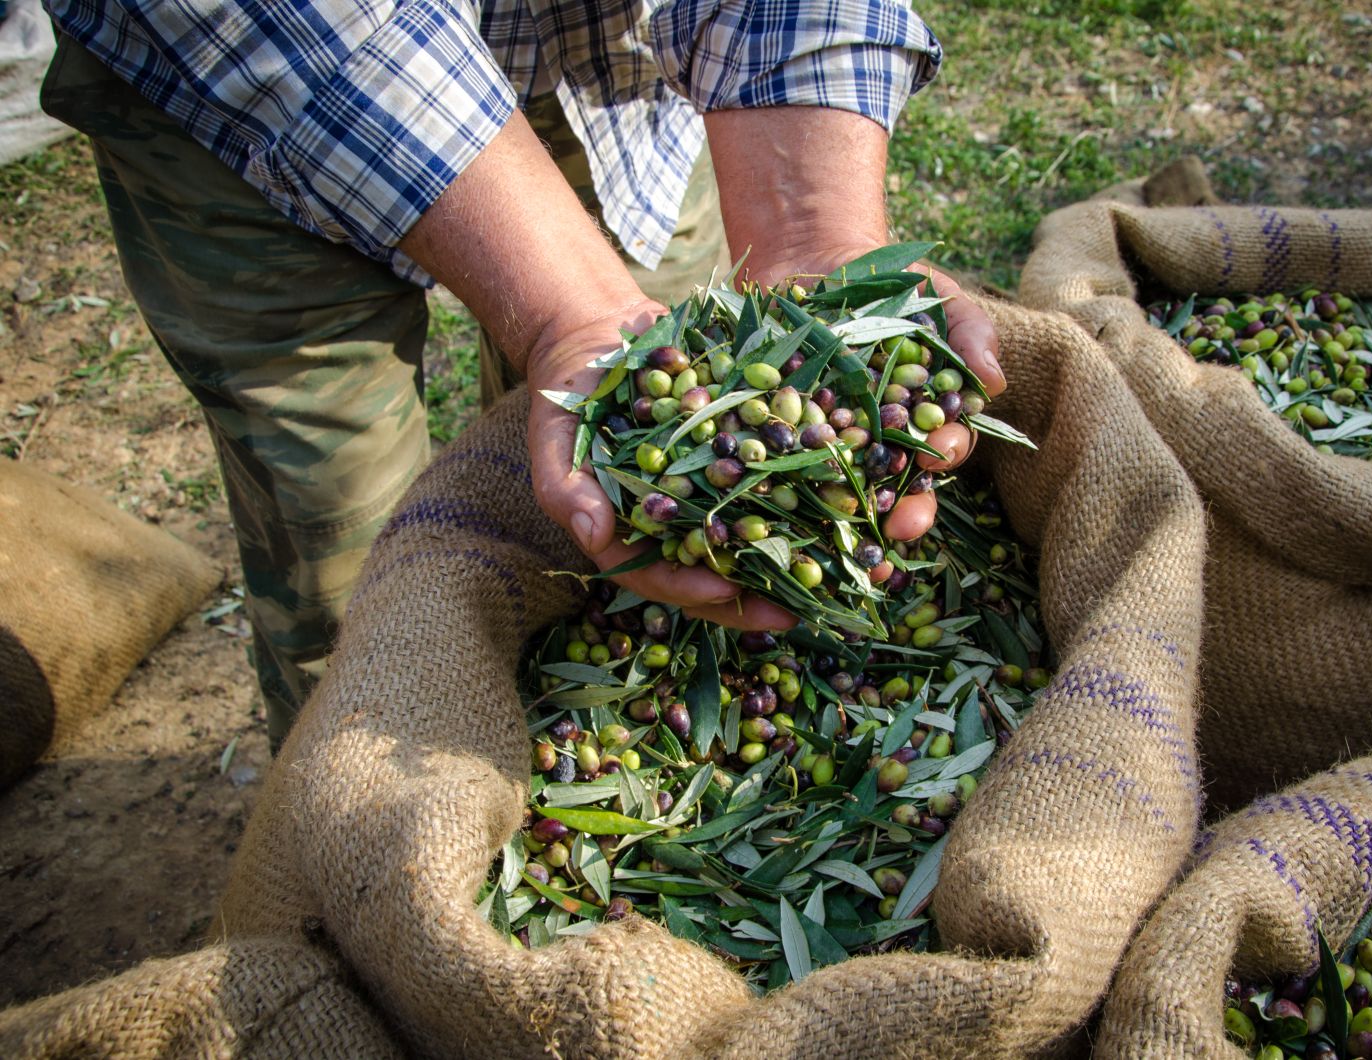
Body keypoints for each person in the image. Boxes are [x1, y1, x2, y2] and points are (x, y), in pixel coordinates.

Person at [39, 0, 1005, 746]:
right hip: (235, 95)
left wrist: (815, 237)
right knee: (353, 566)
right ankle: (362, 818)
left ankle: (570, 751)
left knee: (625, 539)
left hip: (612, 81)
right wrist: (563, 309)